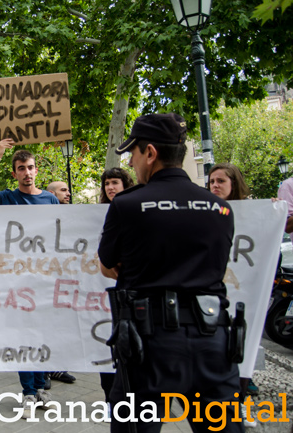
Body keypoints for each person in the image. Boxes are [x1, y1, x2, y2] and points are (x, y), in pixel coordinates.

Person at [98, 113, 244, 432]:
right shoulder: (220, 208)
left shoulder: (127, 205)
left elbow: (108, 266)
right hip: (213, 340)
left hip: (148, 344)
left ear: (150, 153)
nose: (132, 162)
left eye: (133, 153)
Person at [0, 138, 58, 418]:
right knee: (23, 335)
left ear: (37, 170)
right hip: (15, 281)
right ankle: (27, 393)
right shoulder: (9, 197)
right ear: (15, 173)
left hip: (44, 280)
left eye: (31, 167)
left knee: (40, 335)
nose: (27, 172)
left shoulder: (51, 200)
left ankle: (40, 389)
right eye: (21, 168)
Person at [208, 163, 258, 428]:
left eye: (220, 181)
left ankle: (240, 403)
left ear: (234, 184)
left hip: (243, 291)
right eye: (211, 181)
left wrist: (272, 210)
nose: (214, 186)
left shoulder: (252, 213)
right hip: (215, 296)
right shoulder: (204, 210)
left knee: (243, 345)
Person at [97, 167, 134, 411]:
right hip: (99, 292)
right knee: (104, 347)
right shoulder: (96, 213)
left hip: (127, 291)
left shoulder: (134, 210)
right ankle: (111, 399)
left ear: (125, 185)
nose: (110, 187)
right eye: (107, 184)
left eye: (115, 183)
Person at [45, 180, 77, 389]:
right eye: (63, 190)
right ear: (51, 195)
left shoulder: (74, 216)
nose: (68, 193)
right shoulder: (45, 219)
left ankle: (56, 366)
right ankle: (44, 370)